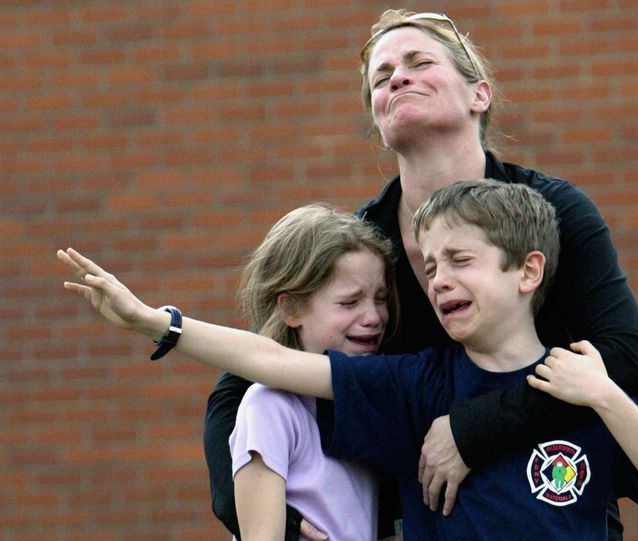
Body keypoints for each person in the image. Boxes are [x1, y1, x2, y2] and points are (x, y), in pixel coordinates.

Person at [204, 9, 638, 539]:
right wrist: (258, 512)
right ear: (377, 118)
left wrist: (471, 430)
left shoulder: (553, 211)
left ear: (478, 95)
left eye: (419, 62)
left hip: (552, 512)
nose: (397, 76)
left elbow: (622, 358)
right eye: (382, 75)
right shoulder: (358, 246)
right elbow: (243, 385)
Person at [57, 180, 638, 541]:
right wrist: (155, 321)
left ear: (527, 270)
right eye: (428, 266)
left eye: (460, 260)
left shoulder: (581, 385)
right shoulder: (413, 384)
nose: (439, 279)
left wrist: (603, 394)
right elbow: (270, 359)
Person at [61, 203, 401, 541]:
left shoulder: (365, 408)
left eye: (381, 298)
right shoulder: (268, 406)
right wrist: (148, 320)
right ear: (292, 308)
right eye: (350, 302)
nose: (373, 317)